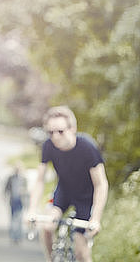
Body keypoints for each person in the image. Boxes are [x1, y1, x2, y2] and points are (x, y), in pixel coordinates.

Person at [28, 106, 108, 262]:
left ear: (72, 129)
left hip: (86, 198)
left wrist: (96, 218)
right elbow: (39, 180)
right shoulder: (48, 146)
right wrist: (32, 209)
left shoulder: (87, 147)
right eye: (50, 132)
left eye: (60, 132)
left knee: (81, 250)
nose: (55, 137)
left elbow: (101, 184)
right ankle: (51, 259)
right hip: (63, 192)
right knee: (47, 226)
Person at [4, 162, 28, 244]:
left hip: (20, 201)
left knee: (20, 219)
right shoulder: (10, 178)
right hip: (13, 200)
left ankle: (19, 237)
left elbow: (26, 190)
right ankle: (13, 236)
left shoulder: (23, 179)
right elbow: (6, 188)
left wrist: (23, 192)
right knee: (13, 219)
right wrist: (5, 197)